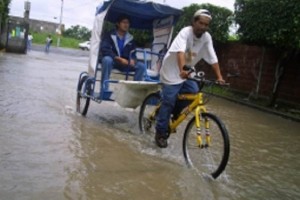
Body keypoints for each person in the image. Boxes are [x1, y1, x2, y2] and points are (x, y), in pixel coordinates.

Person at [155, 9, 225, 148]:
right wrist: (181, 70)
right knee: (169, 100)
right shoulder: (185, 32)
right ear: (194, 22)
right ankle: (160, 133)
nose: (203, 27)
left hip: (187, 71)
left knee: (193, 93)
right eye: (200, 23)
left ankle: (175, 112)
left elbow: (213, 57)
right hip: (172, 71)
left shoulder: (206, 37)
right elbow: (180, 52)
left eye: (206, 25)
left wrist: (219, 77)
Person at [99, 15, 146, 95]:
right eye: (124, 22)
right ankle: (104, 90)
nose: (126, 25)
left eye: (128, 23)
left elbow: (133, 53)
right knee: (107, 59)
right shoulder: (109, 35)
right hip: (112, 62)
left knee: (142, 66)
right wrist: (118, 58)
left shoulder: (130, 38)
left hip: (125, 64)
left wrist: (133, 60)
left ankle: (134, 92)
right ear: (118, 23)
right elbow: (105, 49)